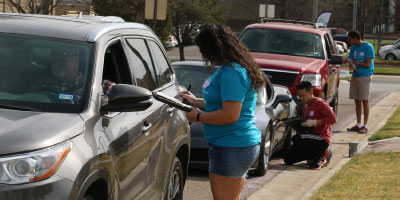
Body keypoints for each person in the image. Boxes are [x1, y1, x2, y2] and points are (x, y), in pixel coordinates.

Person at [181, 24, 266, 200]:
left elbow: (230, 115)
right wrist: (195, 101)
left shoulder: (232, 73)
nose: (203, 55)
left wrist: (197, 117)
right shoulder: (231, 70)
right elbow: (224, 104)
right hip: (232, 145)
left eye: (204, 50)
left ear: (215, 48)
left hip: (232, 146)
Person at [29, 47, 114, 103]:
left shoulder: (99, 86)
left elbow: (113, 106)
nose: (58, 63)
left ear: (76, 62)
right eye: (55, 59)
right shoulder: (39, 84)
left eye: (63, 60)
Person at [284, 81, 337, 170]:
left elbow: (333, 119)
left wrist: (315, 122)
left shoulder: (320, 103)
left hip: (321, 138)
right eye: (299, 96)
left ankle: (321, 156)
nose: (301, 98)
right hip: (310, 137)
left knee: (297, 138)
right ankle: (313, 157)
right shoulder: (305, 107)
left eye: (303, 96)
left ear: (311, 93)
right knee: (288, 159)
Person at [343, 30, 375, 134]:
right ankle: (358, 124)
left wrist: (355, 62)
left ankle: (365, 126)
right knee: (357, 101)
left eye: (350, 39)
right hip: (355, 76)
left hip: (365, 76)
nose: (349, 41)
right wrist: (348, 62)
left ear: (356, 38)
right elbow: (350, 60)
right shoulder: (353, 48)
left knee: (364, 101)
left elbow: (367, 64)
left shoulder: (368, 47)